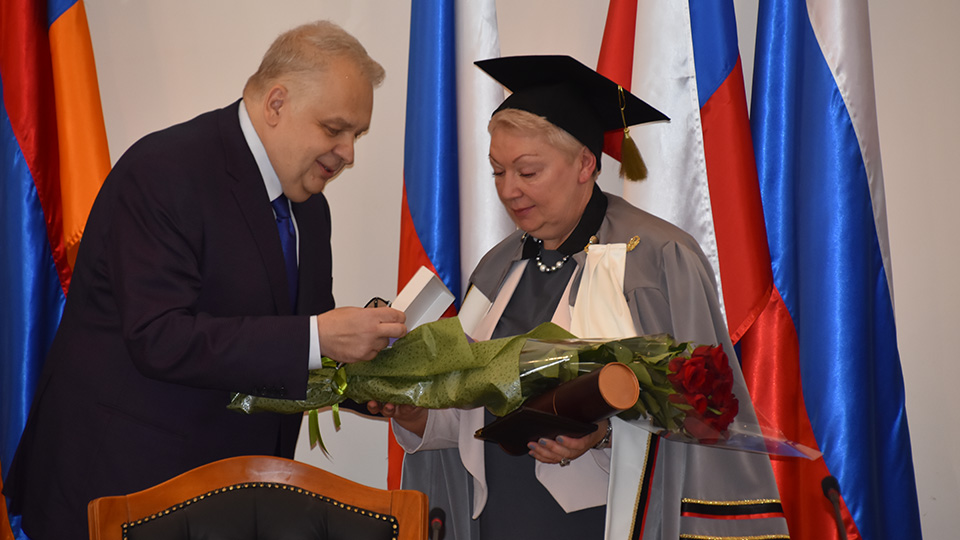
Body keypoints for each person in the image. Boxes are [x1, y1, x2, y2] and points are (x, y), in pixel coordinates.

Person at [3, 20, 406, 540]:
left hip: (234, 499)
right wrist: (320, 336)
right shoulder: (164, 171)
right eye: (335, 129)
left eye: (357, 135)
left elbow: (285, 349)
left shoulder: (310, 209)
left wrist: (372, 382)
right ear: (276, 104)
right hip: (123, 492)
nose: (349, 152)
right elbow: (160, 337)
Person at [370, 56, 789, 540]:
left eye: (528, 171)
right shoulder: (497, 268)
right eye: (498, 171)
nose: (509, 190)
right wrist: (418, 413)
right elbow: (473, 413)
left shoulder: (658, 260)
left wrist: (604, 436)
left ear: (585, 164)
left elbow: (700, 417)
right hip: (499, 521)